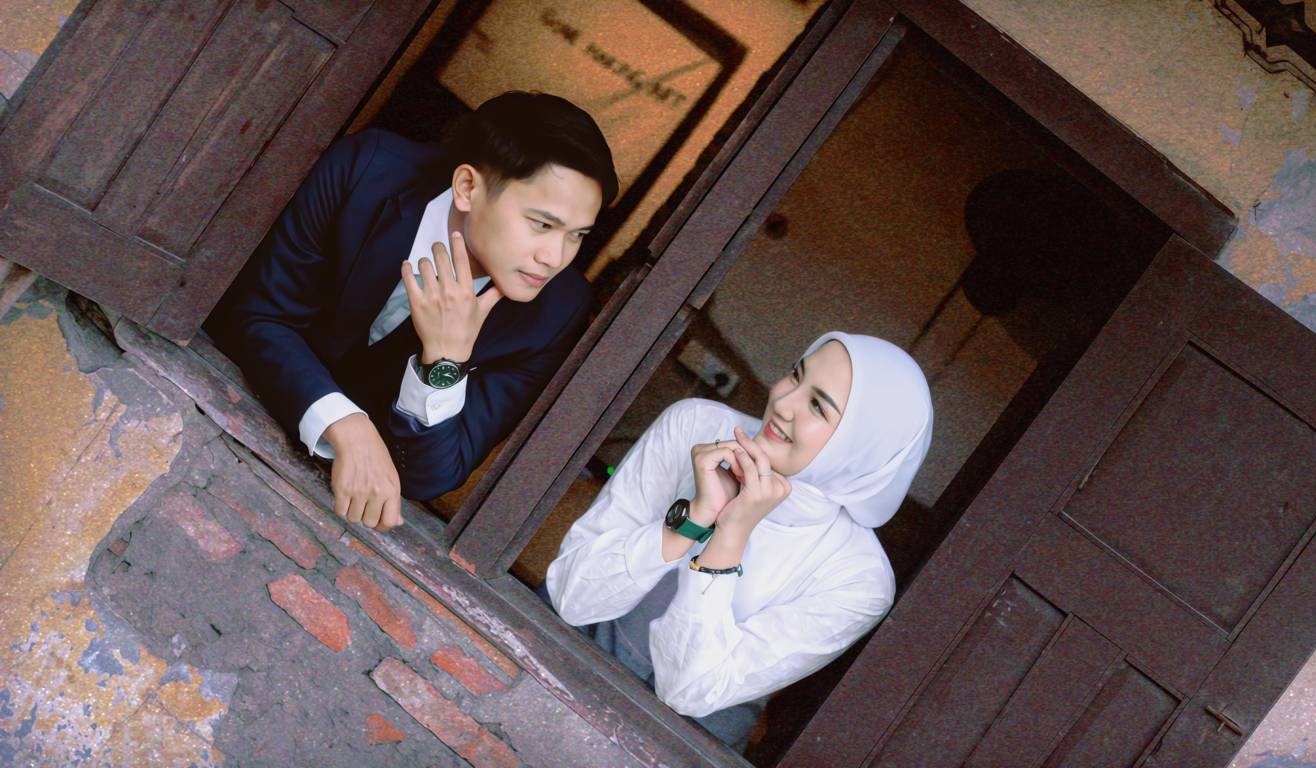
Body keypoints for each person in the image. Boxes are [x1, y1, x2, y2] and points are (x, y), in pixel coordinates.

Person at [207, 92, 617, 531]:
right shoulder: (367, 172)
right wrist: (346, 425)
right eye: (542, 224)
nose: (554, 257)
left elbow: (431, 476)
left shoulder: (554, 312)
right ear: (468, 187)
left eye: (577, 235)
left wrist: (445, 361)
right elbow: (256, 314)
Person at [544, 331, 933, 750]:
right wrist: (694, 517)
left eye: (818, 406)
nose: (783, 402)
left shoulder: (859, 581)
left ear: (862, 449)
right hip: (564, 648)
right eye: (795, 375)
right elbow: (572, 598)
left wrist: (729, 537)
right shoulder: (696, 426)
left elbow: (686, 692)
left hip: (682, 740)